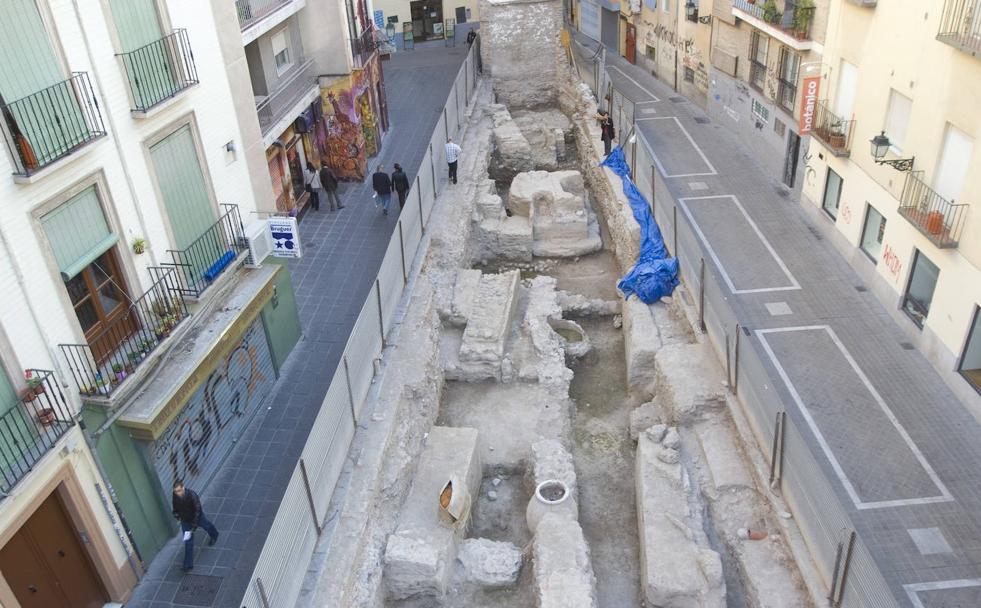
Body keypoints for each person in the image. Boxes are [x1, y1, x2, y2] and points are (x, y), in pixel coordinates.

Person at [172, 480, 219, 572]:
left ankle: (214, 534)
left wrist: (194, 525)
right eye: (175, 491)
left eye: (179, 491)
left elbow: (198, 510)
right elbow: (175, 507)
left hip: (197, 518)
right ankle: (188, 565)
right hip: (185, 520)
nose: (177, 493)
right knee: (188, 542)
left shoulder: (192, 495)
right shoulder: (175, 496)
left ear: (183, 487)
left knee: (207, 526)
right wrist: (176, 515)